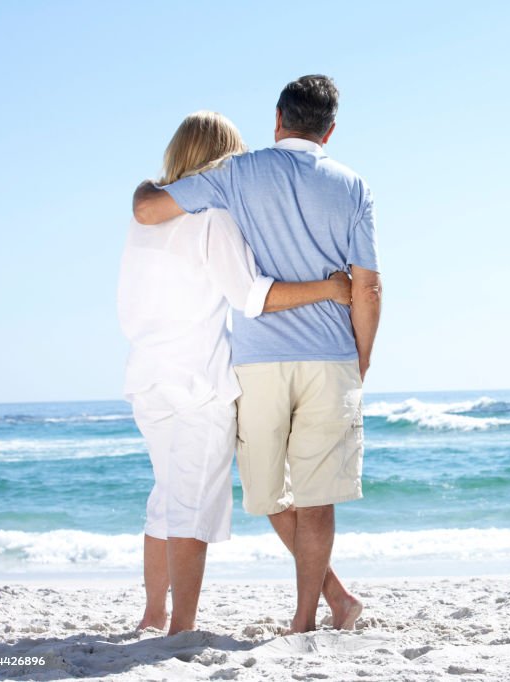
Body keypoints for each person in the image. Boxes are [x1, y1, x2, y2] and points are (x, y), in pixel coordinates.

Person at [132, 75, 382, 633]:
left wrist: (142, 189)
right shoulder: (350, 187)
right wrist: (358, 357)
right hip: (298, 361)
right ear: (331, 130)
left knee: (256, 494)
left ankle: (315, 608)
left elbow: (150, 209)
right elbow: (363, 287)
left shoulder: (228, 180)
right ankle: (301, 616)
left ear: (277, 119)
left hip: (226, 364)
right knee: (308, 498)